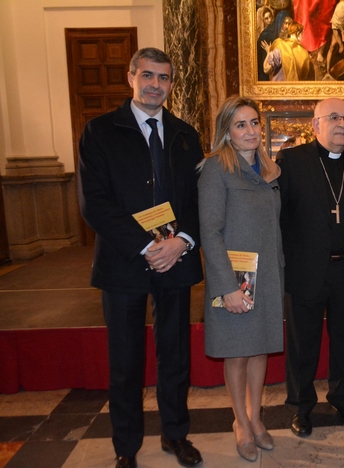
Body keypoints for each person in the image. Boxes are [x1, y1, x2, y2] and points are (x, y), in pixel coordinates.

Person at [78, 47, 204, 468]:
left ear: (171, 83)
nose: (155, 84)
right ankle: (126, 448)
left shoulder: (186, 134)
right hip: (124, 263)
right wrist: (147, 246)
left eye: (164, 77)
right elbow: (94, 204)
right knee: (126, 362)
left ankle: (176, 436)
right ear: (131, 77)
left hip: (176, 261)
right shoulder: (99, 132)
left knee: (176, 357)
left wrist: (181, 241)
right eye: (147, 75)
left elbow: (199, 201)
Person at [277, 98, 344, 437]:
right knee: (304, 343)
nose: (342, 124)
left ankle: (342, 398)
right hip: (305, 269)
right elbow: (279, 216)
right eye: (333, 117)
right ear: (315, 124)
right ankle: (301, 407)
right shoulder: (291, 161)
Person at [198, 97, 284, 463]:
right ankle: (240, 424)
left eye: (254, 123)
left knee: (260, 347)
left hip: (267, 276)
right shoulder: (216, 168)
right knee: (237, 352)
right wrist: (226, 287)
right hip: (235, 278)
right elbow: (210, 231)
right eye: (240, 125)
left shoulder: (270, 169)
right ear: (227, 131)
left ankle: (257, 417)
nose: (250, 131)